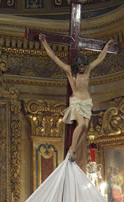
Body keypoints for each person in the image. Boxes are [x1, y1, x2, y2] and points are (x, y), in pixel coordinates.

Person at [39, 34, 114, 162]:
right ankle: (72, 149)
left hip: (87, 102)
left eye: (84, 66)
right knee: (81, 125)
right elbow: (54, 57)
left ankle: (74, 150)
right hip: (76, 101)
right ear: (76, 65)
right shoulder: (69, 70)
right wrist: (44, 42)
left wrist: (106, 47)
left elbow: (100, 59)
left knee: (85, 128)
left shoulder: (88, 70)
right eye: (81, 66)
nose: (83, 68)